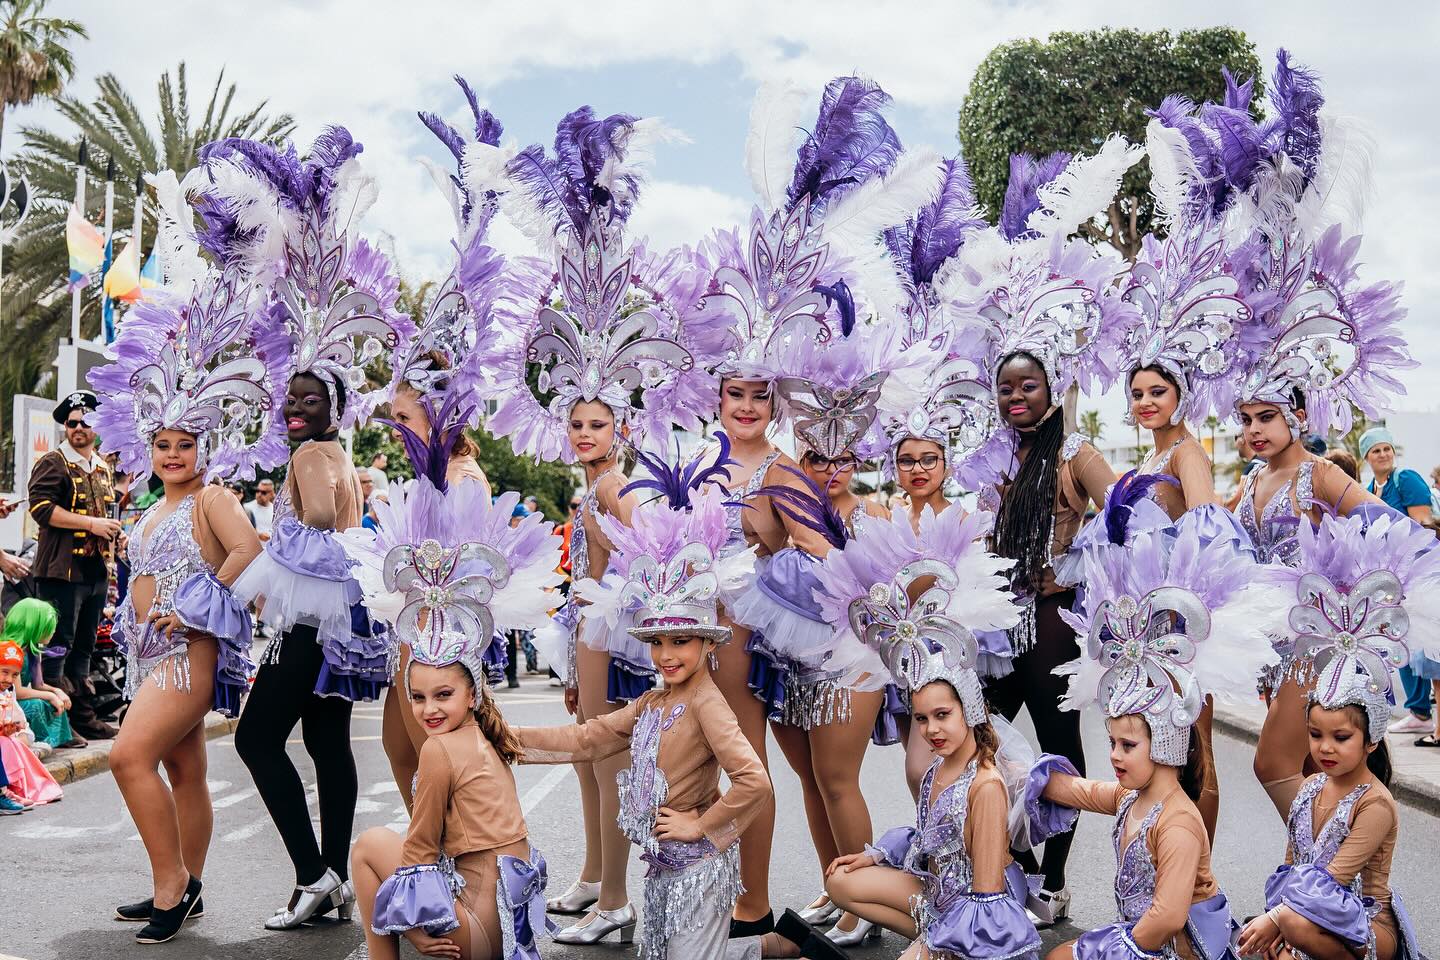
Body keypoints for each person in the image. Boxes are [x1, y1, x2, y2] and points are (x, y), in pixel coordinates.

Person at [697, 78, 936, 942]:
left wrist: (865, 592)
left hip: (810, 643)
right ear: (718, 398)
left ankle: (850, 903)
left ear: (776, 403)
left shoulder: (787, 471)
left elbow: (820, 552)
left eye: (760, 394)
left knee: (816, 778)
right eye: (735, 393)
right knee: (787, 777)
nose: (747, 405)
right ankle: (831, 895)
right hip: (745, 643)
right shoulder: (699, 465)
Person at [483, 105, 714, 945]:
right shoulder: (590, 486)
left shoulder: (615, 484)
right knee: (589, 758)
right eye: (575, 423)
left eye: (597, 424)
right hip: (585, 626)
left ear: (619, 428)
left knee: (609, 761)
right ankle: (591, 878)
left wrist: (615, 593)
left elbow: (653, 542)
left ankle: (616, 901)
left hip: (607, 628)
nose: (583, 434)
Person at [197, 125, 408, 931]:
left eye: (309, 401)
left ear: (333, 408)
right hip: (340, 614)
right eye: (291, 400)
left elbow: (318, 515)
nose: (294, 409)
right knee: (326, 746)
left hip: (314, 621)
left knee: (257, 739)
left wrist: (293, 521)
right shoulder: (339, 451)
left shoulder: (317, 454)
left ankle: (312, 872)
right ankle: (334, 879)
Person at [88, 257, 287, 943]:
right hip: (149, 654)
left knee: (127, 757)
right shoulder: (152, 506)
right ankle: (185, 885)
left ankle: (170, 883)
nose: (172, 454)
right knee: (184, 767)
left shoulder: (213, 497)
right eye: (163, 445)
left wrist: (197, 607)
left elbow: (248, 553)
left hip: (184, 652)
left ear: (206, 448)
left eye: (184, 445)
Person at [515, 475, 770, 960]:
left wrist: (702, 826)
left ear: (707, 643)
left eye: (680, 641)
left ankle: (771, 946)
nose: (666, 655)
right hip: (661, 871)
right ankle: (772, 946)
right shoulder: (654, 701)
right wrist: (506, 737)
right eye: (657, 642)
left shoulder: (707, 704)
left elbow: (754, 781)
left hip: (697, 872)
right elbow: (590, 739)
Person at [771, 502, 1032, 960]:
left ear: (970, 710)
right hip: (938, 894)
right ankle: (933, 933)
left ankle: (947, 945)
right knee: (841, 879)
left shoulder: (986, 785)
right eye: (922, 718)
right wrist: (876, 855)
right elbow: (926, 839)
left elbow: (987, 892)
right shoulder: (936, 772)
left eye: (942, 716)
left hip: (979, 911)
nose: (930, 729)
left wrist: (931, 945)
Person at [344, 432, 562, 960]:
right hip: (510, 934)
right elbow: (581, 740)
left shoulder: (439, 750)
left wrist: (417, 933)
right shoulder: (491, 734)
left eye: (441, 694)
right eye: (417, 698)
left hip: (472, 931)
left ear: (471, 692)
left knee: (368, 847)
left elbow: (419, 852)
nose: (428, 710)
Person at [1026, 502, 1273, 960]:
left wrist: (1106, 950)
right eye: (1112, 743)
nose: (1115, 755)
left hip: (1176, 948)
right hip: (1147, 938)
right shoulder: (1133, 798)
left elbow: (1167, 918)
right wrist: (1012, 769)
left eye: (1128, 745)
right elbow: (1079, 790)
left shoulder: (1177, 822)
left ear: (1164, 743)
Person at [1236, 509, 1437, 960]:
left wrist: (1277, 922)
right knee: (1271, 936)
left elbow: (1332, 879)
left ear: (1371, 740)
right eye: (1315, 734)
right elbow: (1292, 867)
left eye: (1341, 738)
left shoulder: (1375, 803)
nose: (1325, 748)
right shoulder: (1309, 789)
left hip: (1365, 923)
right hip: (1309, 912)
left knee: (1287, 923)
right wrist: (1275, 925)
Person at [27, 389, 119, 740]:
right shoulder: (53, 461)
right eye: (71, 423)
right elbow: (41, 509)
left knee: (84, 647)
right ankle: (58, 726)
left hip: (95, 570)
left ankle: (82, 717)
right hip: (61, 572)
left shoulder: (103, 466)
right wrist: (91, 524)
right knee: (57, 647)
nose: (78, 428)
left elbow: (107, 512)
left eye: (85, 422)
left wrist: (115, 534)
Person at [2, 598, 82, 750]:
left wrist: (57, 692)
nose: (53, 631)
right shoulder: (13, 650)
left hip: (20, 698)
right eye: (48, 627)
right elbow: (18, 691)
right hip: (8, 701)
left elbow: (39, 685)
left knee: (56, 700)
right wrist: (50, 696)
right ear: (34, 626)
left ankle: (60, 738)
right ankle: (39, 740)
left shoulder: (33, 650)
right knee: (37, 705)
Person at [0, 640, 63, 807]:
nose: (9, 679)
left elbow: (20, 723)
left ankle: (13, 787)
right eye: (4, 672)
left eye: (15, 675)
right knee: (8, 744)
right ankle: (3, 792)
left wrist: (13, 731)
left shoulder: (8, 693)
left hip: (9, 743)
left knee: (17, 743)